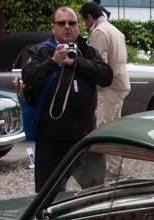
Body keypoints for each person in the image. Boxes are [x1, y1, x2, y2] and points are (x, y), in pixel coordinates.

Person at [22, 6, 113, 191]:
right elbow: (30, 76)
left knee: (95, 191)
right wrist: (53, 62)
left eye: (71, 23)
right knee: (47, 193)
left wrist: (76, 62)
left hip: (84, 135)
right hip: (51, 137)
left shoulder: (88, 52)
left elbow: (106, 76)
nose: (67, 27)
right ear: (53, 27)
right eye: (61, 23)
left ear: (79, 27)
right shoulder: (41, 52)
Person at [79, 2, 131, 125]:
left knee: (102, 129)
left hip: (109, 87)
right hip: (120, 82)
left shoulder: (99, 32)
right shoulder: (115, 30)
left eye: (84, 20)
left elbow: (98, 65)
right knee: (114, 129)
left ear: (90, 17)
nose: (85, 24)